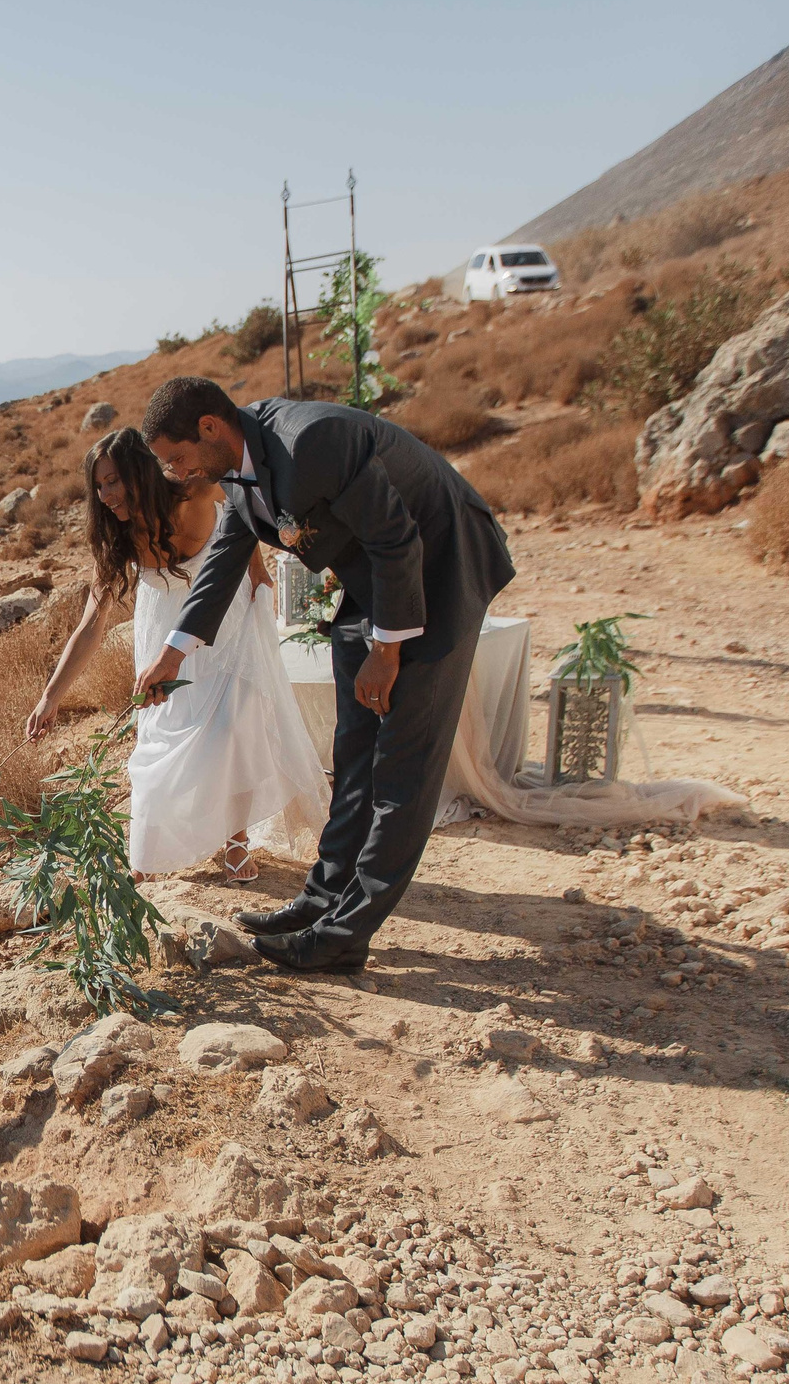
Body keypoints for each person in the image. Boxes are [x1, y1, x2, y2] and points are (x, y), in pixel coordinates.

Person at [130, 376, 515, 972]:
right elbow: (227, 562)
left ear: (210, 427)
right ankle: (322, 898)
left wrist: (387, 654)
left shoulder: (310, 442)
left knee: (403, 763)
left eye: (177, 458)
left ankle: (347, 932)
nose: (176, 473)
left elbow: (397, 540)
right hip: (375, 583)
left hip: (440, 568)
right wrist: (174, 652)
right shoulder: (235, 465)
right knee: (354, 746)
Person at [27, 427, 328, 880]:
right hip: (164, 628)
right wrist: (51, 696)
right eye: (99, 486)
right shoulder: (119, 539)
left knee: (232, 727)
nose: (106, 495)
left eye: (113, 480)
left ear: (138, 473)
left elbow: (241, 500)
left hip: (226, 615)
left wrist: (258, 567)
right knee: (159, 739)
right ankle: (149, 855)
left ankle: (235, 841)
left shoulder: (196, 491)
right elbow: (91, 625)